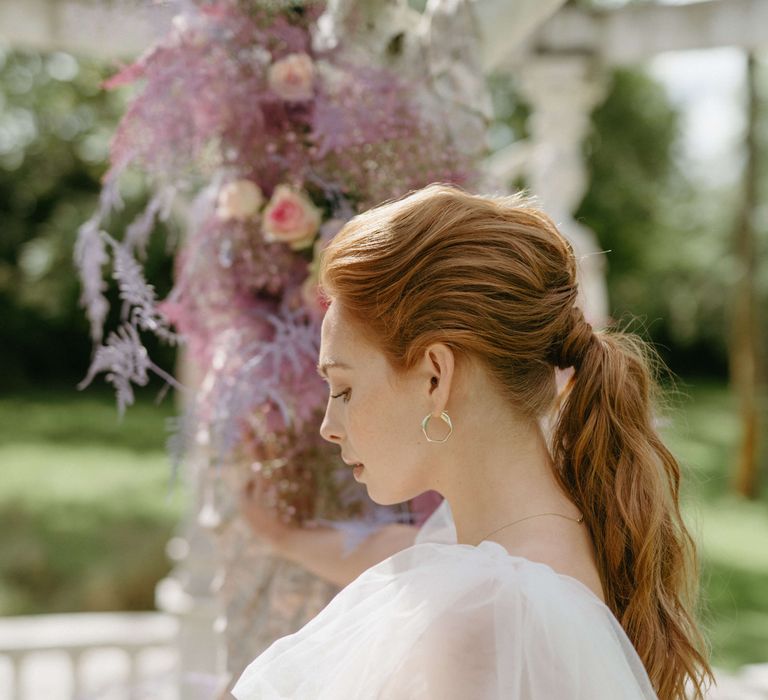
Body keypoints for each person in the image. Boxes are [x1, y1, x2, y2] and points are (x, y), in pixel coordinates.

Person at [232, 183, 714, 699]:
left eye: (345, 389)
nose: (328, 424)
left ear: (436, 376)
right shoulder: (558, 529)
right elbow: (397, 555)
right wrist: (283, 534)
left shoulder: (483, 613)